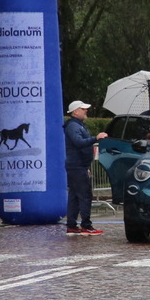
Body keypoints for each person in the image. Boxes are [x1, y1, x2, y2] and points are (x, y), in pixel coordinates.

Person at [64, 100, 108, 236]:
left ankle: (72, 225)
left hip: (78, 165)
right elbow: (78, 142)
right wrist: (96, 138)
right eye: (83, 109)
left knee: (74, 196)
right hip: (77, 166)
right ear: (75, 111)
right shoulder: (73, 126)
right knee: (85, 195)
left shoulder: (77, 125)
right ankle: (86, 225)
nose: (86, 111)